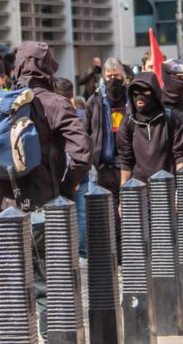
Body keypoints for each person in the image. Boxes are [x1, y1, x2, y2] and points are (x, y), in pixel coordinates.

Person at [0, 41, 91, 342]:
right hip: (40, 208)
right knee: (47, 283)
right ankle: (54, 338)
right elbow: (81, 153)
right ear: (47, 68)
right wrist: (65, 188)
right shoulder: (55, 103)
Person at [83, 57, 127, 258]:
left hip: (127, 166)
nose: (113, 80)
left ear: (123, 76)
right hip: (104, 167)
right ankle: (114, 256)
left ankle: (127, 253)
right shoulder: (95, 101)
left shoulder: (130, 98)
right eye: (109, 76)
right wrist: (94, 158)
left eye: (116, 76)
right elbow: (85, 132)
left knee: (127, 211)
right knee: (108, 214)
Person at [116, 72, 183, 184]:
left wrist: (180, 187)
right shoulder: (128, 123)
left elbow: (180, 156)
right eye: (136, 93)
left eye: (146, 92)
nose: (140, 97)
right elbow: (126, 161)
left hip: (167, 187)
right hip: (139, 188)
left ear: (155, 94)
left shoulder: (171, 119)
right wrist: (124, 191)